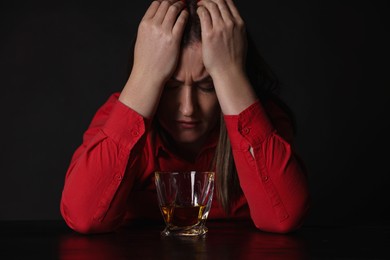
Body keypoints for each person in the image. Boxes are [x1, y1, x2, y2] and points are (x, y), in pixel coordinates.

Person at [60, 0, 310, 234]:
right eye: (170, 87)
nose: (188, 108)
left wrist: (229, 71)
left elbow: (283, 219)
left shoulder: (262, 118)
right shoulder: (120, 114)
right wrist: (145, 75)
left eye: (207, 86)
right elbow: (83, 217)